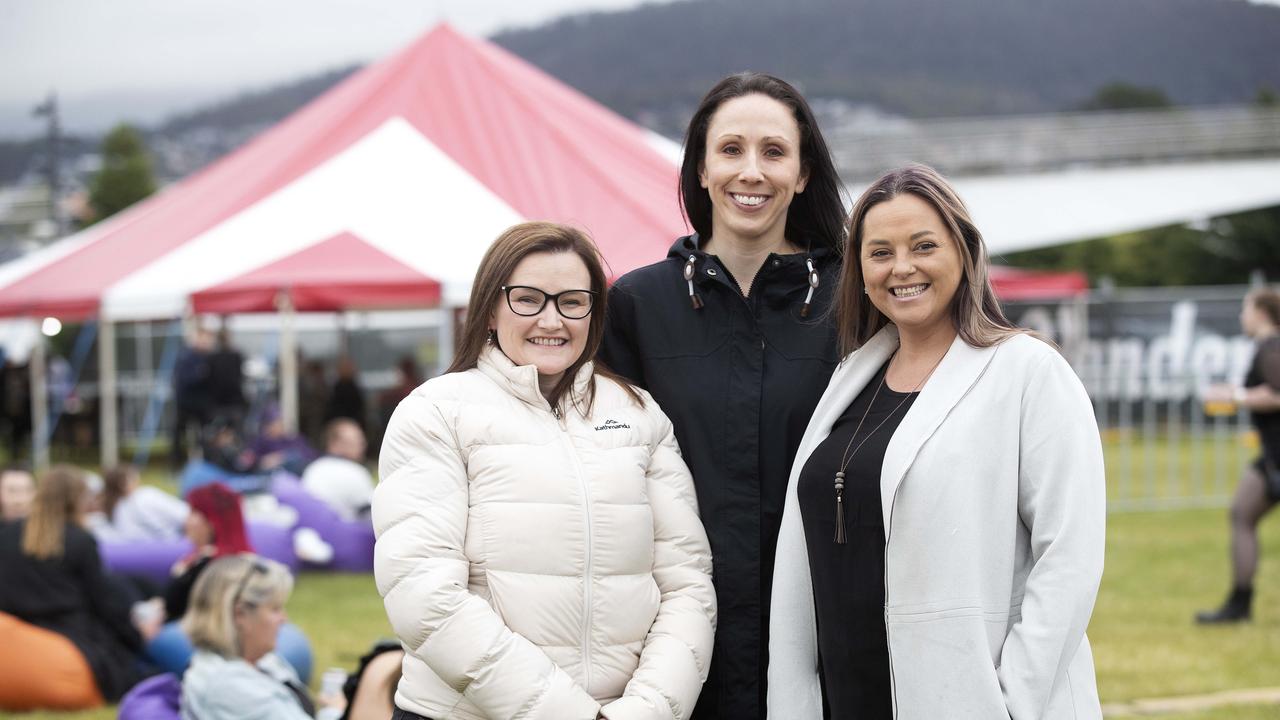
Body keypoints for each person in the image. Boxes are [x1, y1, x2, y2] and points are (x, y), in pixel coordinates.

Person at [768, 164, 1105, 719]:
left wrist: (1010, 700)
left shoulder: (1028, 372)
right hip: (852, 695)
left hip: (971, 700)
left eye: (923, 245)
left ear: (965, 252)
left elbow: (1069, 557)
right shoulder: (851, 378)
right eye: (879, 252)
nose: (902, 267)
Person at [376, 221, 716, 719]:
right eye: (528, 299)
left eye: (572, 301)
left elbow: (687, 584)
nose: (552, 320)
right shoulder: (435, 412)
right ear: (491, 308)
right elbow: (423, 596)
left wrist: (646, 711)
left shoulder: (640, 414)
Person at [600, 71, 846, 719]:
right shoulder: (637, 304)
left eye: (774, 152)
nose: (752, 171)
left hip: (823, 627)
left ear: (803, 174)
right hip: (676, 638)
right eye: (731, 149)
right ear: (701, 170)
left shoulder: (853, 300)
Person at [0, 465, 161, 702]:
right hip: (72, 643)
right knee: (145, 673)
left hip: (16, 641)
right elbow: (104, 603)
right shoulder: (79, 540)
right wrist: (136, 637)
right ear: (76, 500)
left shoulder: (7, 537)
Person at [1195, 287, 1280, 623]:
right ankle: (1239, 604)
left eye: (1246, 309)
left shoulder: (1270, 346)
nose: (1242, 316)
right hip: (1272, 456)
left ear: (1261, 312)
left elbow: (1277, 394)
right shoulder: (1267, 346)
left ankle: (1239, 605)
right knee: (1242, 515)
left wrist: (1237, 397)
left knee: (1242, 517)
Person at [180, 554, 343, 720]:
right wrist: (336, 710)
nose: (283, 619)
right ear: (240, 614)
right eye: (275, 609)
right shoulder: (229, 686)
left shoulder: (261, 661)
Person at [165, 481, 254, 621]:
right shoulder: (248, 561)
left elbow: (171, 605)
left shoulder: (205, 566)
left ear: (212, 521)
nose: (186, 521)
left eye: (193, 513)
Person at [301, 418, 373, 521]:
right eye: (356, 441)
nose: (363, 446)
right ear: (334, 444)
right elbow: (370, 517)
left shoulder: (313, 468)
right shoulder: (355, 472)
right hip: (342, 534)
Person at [98, 464, 189, 543]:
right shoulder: (144, 496)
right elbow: (185, 514)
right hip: (168, 548)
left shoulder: (115, 508)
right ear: (124, 483)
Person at [172, 327, 215, 469]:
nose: (206, 342)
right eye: (203, 339)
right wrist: (201, 374)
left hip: (203, 403)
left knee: (205, 434)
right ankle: (177, 463)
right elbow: (185, 379)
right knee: (179, 434)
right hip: (186, 402)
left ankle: (205, 460)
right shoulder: (186, 356)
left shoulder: (209, 356)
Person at [248, 404, 319, 476]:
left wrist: (282, 457)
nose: (278, 426)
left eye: (279, 422)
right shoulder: (260, 442)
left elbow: (310, 456)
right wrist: (261, 462)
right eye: (273, 424)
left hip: (295, 478)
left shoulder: (294, 439)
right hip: (269, 479)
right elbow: (246, 462)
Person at [208, 327, 248, 429]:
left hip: (221, 402)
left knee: (218, 432)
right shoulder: (234, 356)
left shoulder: (212, 357)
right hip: (229, 403)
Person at [325, 357, 366, 434]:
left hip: (354, 425)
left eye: (349, 367)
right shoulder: (335, 389)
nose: (348, 370)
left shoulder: (355, 388)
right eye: (345, 367)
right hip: (339, 426)